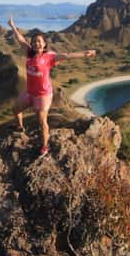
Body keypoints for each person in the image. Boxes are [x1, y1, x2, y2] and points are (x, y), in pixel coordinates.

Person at [8, 16, 96, 157]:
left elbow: (67, 56)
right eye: (34, 41)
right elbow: (20, 39)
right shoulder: (29, 53)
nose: (36, 43)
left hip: (42, 95)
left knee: (42, 122)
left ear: (44, 44)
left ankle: (44, 146)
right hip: (30, 92)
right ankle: (20, 127)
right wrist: (12, 26)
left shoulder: (49, 56)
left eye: (39, 41)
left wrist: (85, 54)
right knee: (15, 109)